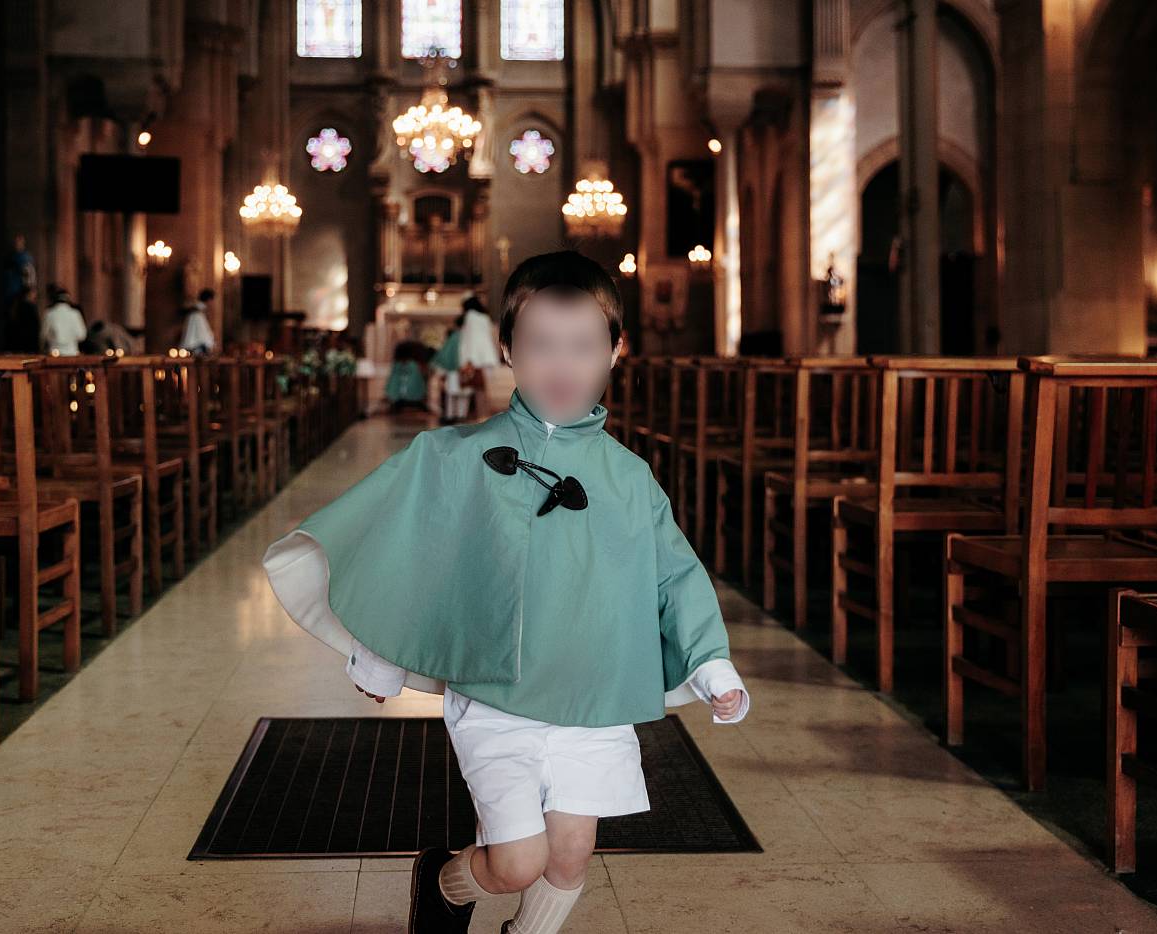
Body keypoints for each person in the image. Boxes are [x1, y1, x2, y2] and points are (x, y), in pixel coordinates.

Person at [261, 250, 750, 934]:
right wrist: (381, 656)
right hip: (495, 697)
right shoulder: (457, 455)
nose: (562, 365)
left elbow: (675, 574)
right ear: (507, 350)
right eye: (541, 345)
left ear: (616, 351)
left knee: (571, 857)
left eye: (583, 346)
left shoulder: (630, 478)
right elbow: (410, 549)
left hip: (593, 697)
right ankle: (444, 882)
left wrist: (710, 661)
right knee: (517, 862)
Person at [430, 314, 471, 423]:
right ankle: (462, 415)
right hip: (467, 369)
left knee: (452, 394)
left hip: (454, 369)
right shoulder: (470, 335)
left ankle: (450, 415)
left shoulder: (454, 336)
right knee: (464, 394)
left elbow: (446, 354)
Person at [39, 284, 86, 356]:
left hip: (54, 352)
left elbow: (43, 335)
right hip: (72, 352)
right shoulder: (75, 314)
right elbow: (82, 335)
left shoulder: (49, 313)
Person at [179, 288, 217, 355]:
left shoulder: (198, 311)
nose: (212, 303)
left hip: (198, 345)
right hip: (198, 346)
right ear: (209, 300)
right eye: (212, 300)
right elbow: (201, 332)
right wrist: (209, 343)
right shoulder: (197, 313)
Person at [5, 285, 42, 353]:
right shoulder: (27, 308)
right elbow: (32, 329)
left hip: (17, 345)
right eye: (34, 292)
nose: (36, 296)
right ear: (28, 294)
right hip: (27, 346)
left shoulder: (17, 306)